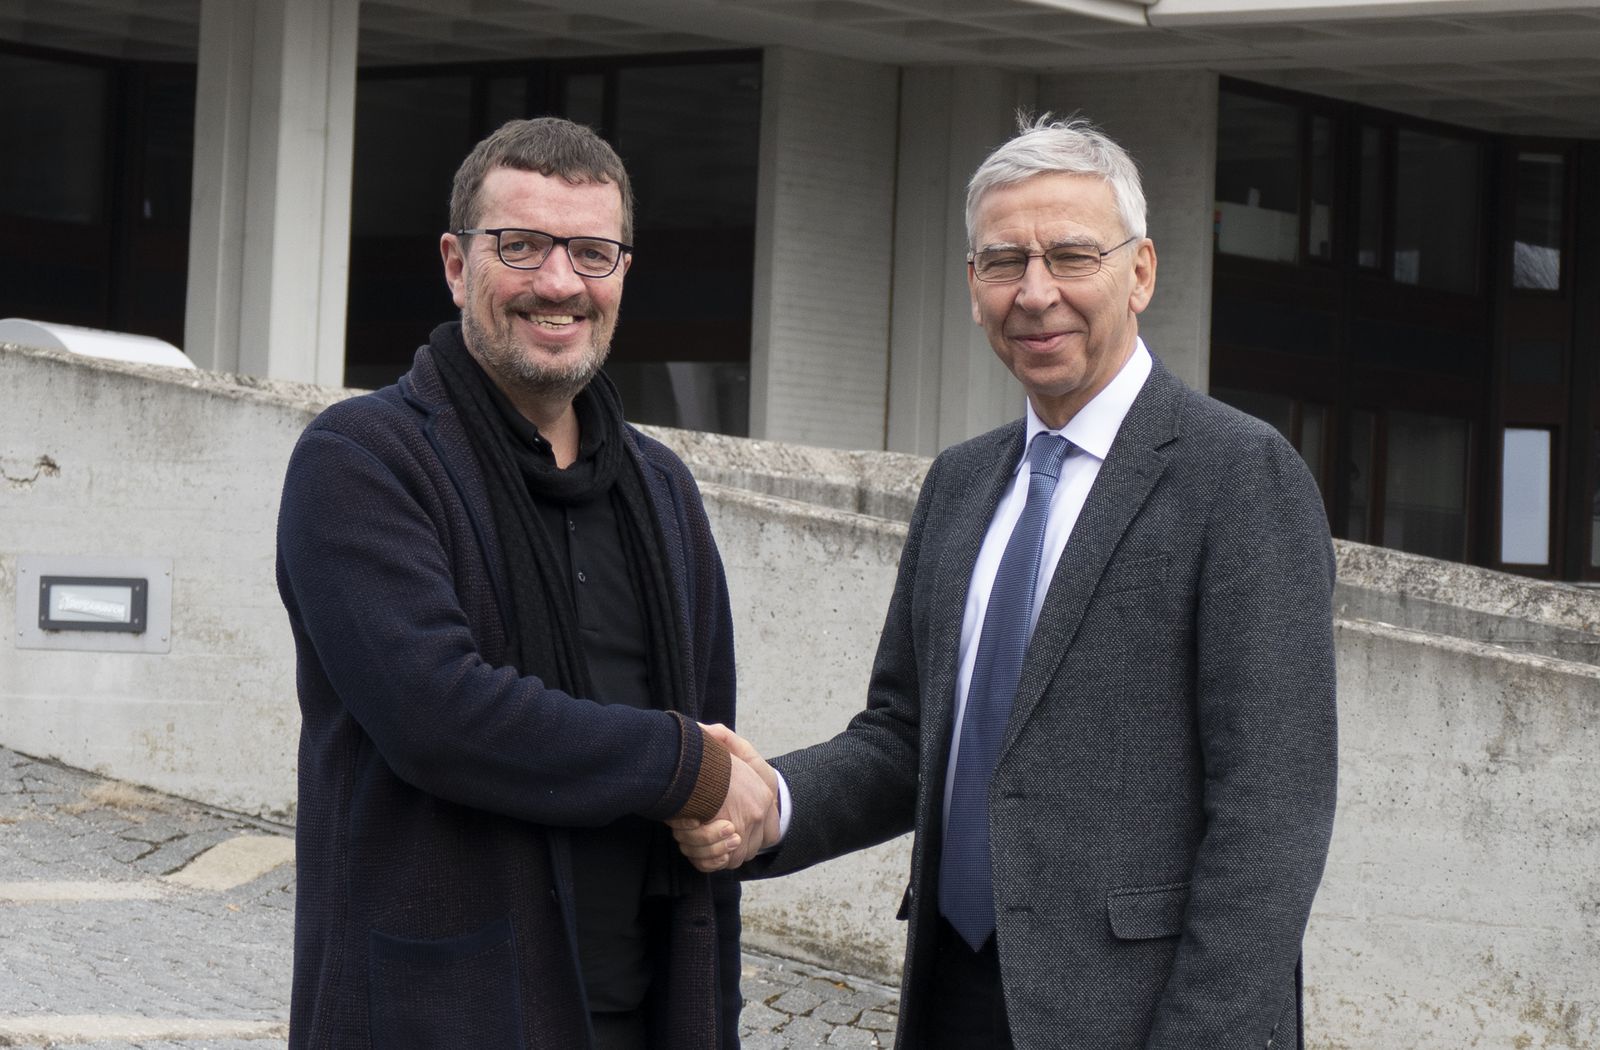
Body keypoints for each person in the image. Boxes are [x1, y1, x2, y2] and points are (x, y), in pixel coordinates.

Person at [674, 115, 1338, 1050]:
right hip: (953, 998)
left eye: (1071, 256)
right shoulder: (959, 483)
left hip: (1139, 1018)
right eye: (1002, 262)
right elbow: (906, 738)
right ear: (973, 285)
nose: (1035, 294)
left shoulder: (1239, 477)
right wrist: (768, 806)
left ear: (1140, 271)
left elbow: (1272, 818)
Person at [276, 117, 771, 1050]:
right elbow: (440, 714)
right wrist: (684, 770)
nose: (559, 283)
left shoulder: (661, 490)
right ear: (457, 266)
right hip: (435, 1017)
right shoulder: (363, 461)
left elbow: (710, 749)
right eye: (522, 246)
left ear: (622, 272)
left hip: (641, 1012)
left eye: (592, 252)